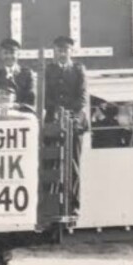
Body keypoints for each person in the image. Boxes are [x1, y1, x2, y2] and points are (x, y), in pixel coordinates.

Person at [43, 35, 87, 213]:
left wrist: (68, 114)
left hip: (74, 122)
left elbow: (82, 97)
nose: (62, 53)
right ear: (54, 51)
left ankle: (73, 205)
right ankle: (49, 205)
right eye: (59, 50)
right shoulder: (49, 70)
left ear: (71, 51)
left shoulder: (78, 70)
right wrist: (55, 113)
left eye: (65, 50)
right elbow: (46, 96)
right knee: (50, 162)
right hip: (54, 121)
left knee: (73, 164)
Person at [0, 38, 35, 110]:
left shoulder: (27, 74)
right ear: (1, 55)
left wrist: (14, 106)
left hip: (22, 116)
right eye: (6, 53)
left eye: (12, 53)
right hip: (0, 116)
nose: (9, 56)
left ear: (18, 54)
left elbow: (30, 102)